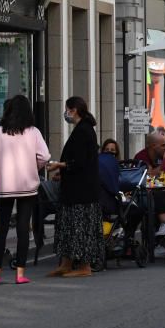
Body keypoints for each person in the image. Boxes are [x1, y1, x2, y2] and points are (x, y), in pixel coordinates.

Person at [0, 95, 50, 285]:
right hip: (27, 186)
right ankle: (20, 273)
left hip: (4, 187)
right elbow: (44, 156)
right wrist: (32, 167)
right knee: (22, 229)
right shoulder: (33, 132)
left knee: (1, 229)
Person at [47, 96, 103, 277]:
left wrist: (60, 165)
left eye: (67, 109)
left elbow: (80, 161)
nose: (66, 113)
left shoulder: (84, 131)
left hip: (82, 191)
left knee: (80, 226)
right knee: (68, 225)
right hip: (74, 188)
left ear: (74, 110)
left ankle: (84, 266)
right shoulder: (81, 130)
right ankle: (66, 262)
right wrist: (62, 172)